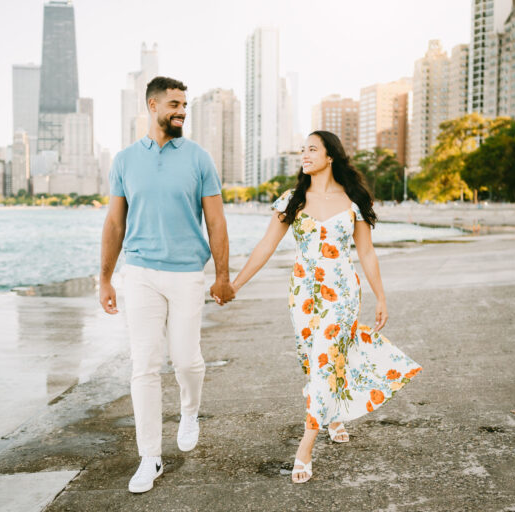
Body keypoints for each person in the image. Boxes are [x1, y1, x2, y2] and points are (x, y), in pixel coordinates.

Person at [231, 130, 422, 483]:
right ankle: (331, 412)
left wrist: (381, 296)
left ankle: (305, 446)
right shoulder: (292, 200)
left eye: (312, 149)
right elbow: (265, 246)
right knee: (313, 360)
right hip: (303, 294)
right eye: (302, 149)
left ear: (330, 156)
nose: (305, 154)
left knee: (324, 358)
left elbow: (365, 252)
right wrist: (235, 284)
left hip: (342, 294)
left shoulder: (352, 201)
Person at [99, 76, 236, 493]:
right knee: (144, 364)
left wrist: (223, 275)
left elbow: (215, 220)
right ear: (153, 105)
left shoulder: (198, 158)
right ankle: (150, 457)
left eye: (185, 105)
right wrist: (105, 277)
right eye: (174, 104)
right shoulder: (124, 160)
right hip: (138, 274)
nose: (181, 111)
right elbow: (115, 223)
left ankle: (190, 411)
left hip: (186, 274)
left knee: (187, 360)